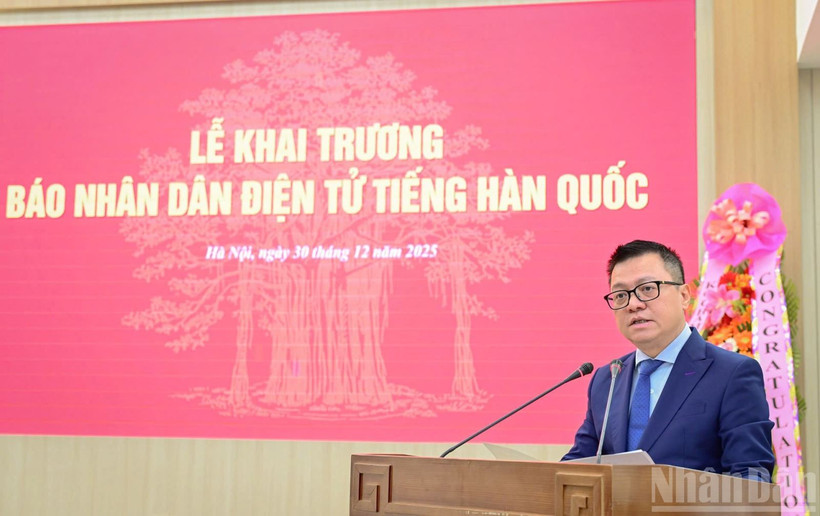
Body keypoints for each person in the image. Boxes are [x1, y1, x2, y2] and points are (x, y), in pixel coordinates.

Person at [562, 240, 775, 480]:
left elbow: (751, 475)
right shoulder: (606, 379)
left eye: (648, 289)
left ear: (684, 295)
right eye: (621, 295)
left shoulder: (731, 373)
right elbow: (577, 466)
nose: (633, 304)